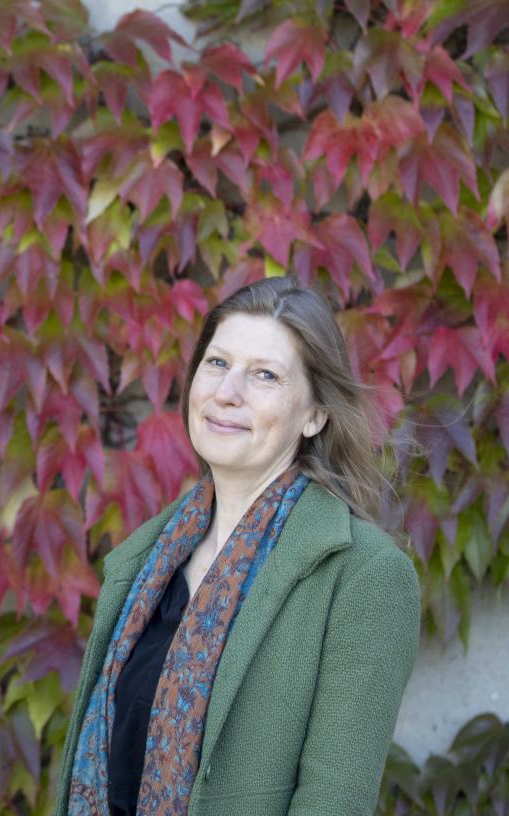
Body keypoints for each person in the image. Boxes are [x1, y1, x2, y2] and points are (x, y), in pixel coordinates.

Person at [55, 276, 420, 816]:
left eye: (265, 375)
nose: (228, 392)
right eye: (217, 363)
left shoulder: (363, 576)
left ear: (315, 415)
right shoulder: (147, 561)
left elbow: (334, 801)